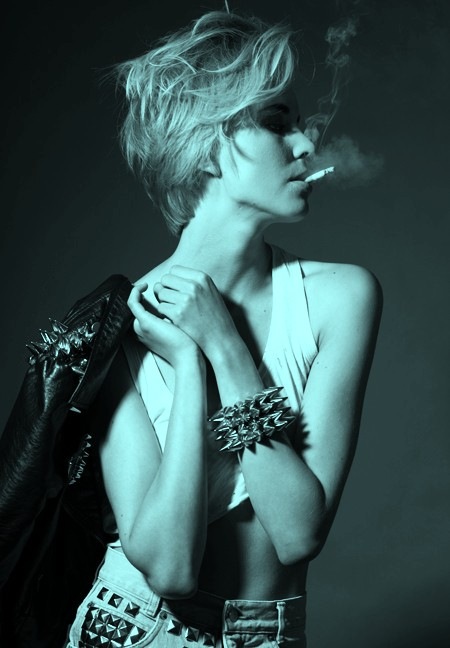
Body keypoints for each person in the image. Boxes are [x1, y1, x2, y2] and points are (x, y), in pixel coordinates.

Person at [66, 8, 382, 648]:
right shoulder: (119, 326)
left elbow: (298, 533)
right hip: (131, 627)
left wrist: (223, 346)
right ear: (208, 146)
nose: (306, 145)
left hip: (268, 633)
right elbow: (169, 568)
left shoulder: (341, 297)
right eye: (277, 123)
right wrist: (188, 367)